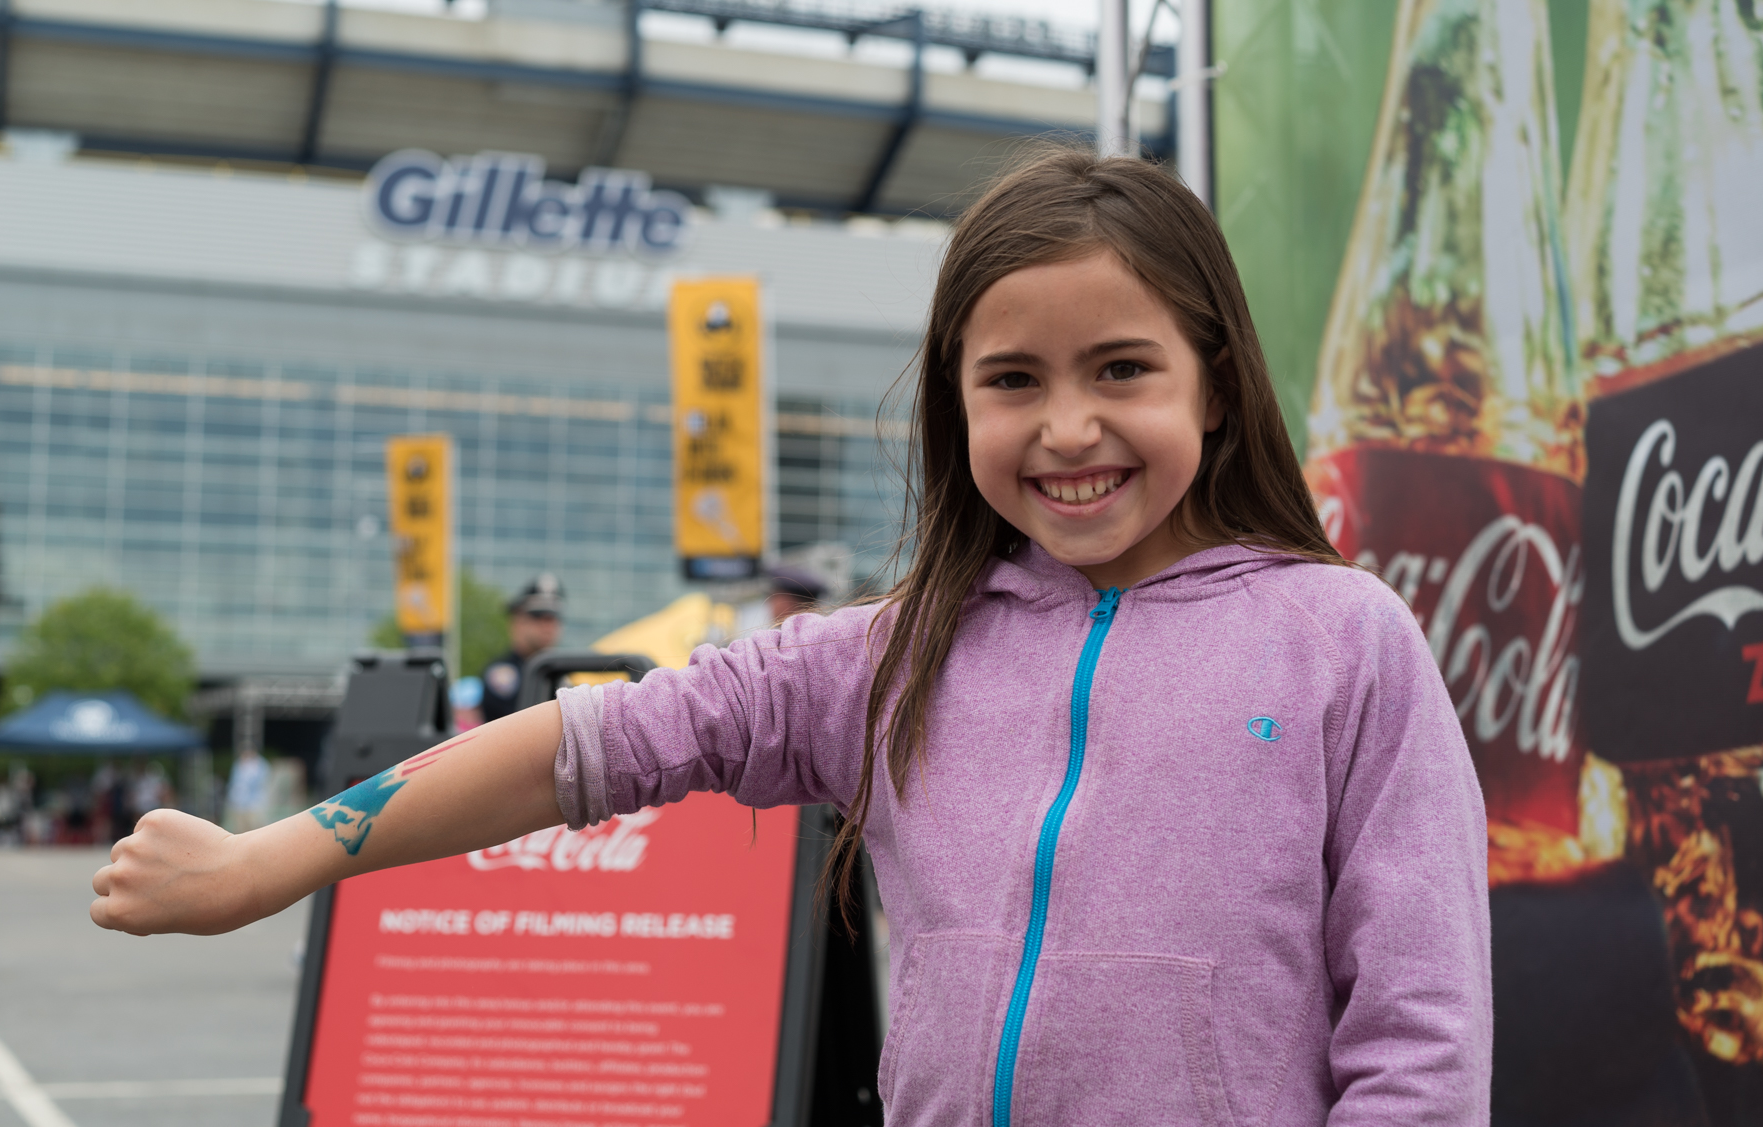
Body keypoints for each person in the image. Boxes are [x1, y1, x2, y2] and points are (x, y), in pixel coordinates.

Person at [91, 149, 1491, 1122]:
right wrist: (269, 859)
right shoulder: (892, 657)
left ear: (1220, 390)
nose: (1068, 426)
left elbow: (1419, 1032)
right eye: (1013, 380)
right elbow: (586, 744)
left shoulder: (1345, 641)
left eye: (1121, 367)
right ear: (959, 410)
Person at [479, 574, 564, 723]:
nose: (548, 626)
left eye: (552, 617)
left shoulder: (563, 672)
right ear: (517, 622)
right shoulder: (502, 673)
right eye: (538, 617)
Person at [223, 746, 271, 833]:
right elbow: (234, 782)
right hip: (239, 804)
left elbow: (261, 784)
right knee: (240, 830)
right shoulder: (238, 764)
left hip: (254, 804)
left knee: (256, 829)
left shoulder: (261, 765)